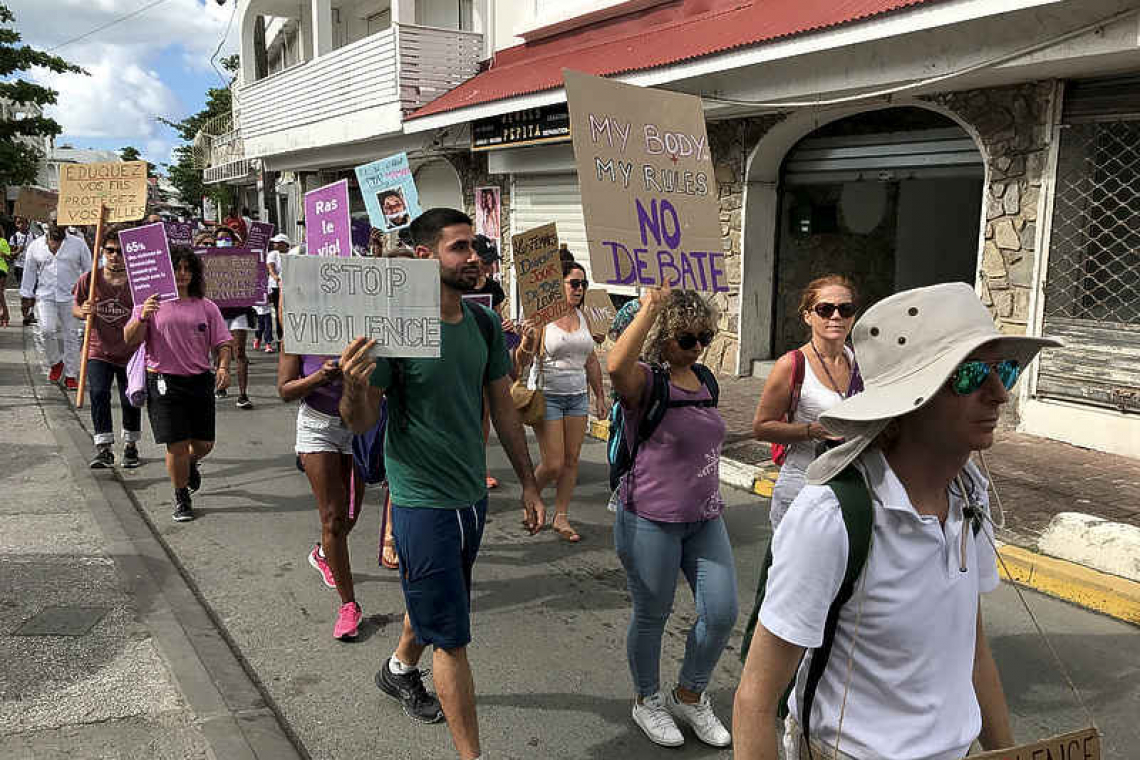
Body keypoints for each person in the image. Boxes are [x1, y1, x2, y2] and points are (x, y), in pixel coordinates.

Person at [732, 281, 1054, 760]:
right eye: (969, 376)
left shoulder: (970, 495)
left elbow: (972, 646)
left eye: (1003, 370)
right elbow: (755, 701)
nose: (999, 394)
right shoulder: (834, 515)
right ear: (911, 400)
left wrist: (1006, 753)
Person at [339, 208, 547, 759]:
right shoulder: (398, 328)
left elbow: (503, 409)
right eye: (459, 247)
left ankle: (397, 666)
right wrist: (354, 385)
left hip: (470, 498)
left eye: (476, 245)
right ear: (424, 257)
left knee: (437, 600)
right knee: (451, 639)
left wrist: (528, 484)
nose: (474, 256)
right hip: (421, 502)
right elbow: (360, 422)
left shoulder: (482, 324)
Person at [606, 282, 738, 749]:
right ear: (663, 337)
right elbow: (615, 364)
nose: (698, 346)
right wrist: (649, 308)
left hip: (705, 517)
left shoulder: (707, 380)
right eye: (687, 338)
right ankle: (647, 699)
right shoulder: (646, 381)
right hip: (650, 518)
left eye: (705, 336)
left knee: (721, 612)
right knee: (652, 614)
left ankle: (690, 693)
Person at [124, 247, 232, 522]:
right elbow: (130, 339)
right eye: (177, 268)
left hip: (199, 381)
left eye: (187, 268)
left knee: (204, 444)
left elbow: (223, 342)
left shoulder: (206, 307)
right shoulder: (149, 303)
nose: (182, 274)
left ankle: (190, 464)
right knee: (176, 446)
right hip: (163, 381)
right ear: (165, 271)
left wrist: (222, 366)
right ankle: (181, 495)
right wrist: (143, 316)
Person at [753, 275, 859, 529]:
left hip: (849, 483)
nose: (836, 316)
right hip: (802, 485)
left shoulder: (858, 360)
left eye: (845, 309)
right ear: (808, 316)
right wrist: (813, 430)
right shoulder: (791, 364)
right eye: (825, 309)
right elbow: (761, 427)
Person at [514, 251, 606, 542]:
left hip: (577, 395)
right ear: (559, 285)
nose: (579, 289)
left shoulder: (585, 316)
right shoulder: (543, 317)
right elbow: (521, 361)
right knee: (553, 462)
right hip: (548, 394)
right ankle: (531, 494)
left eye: (583, 285)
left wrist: (600, 396)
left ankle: (561, 516)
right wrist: (527, 340)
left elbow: (590, 359)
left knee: (572, 459)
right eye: (573, 283)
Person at [278, 350, 366, 639]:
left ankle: (323, 553)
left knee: (350, 516)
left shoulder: (369, 322)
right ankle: (349, 605)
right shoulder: (302, 326)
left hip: (360, 427)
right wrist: (319, 377)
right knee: (334, 519)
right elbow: (285, 390)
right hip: (317, 426)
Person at [73, 226, 141, 468]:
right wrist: (84, 312)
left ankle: (131, 445)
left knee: (129, 398)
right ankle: (104, 448)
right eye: (110, 250)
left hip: (130, 351)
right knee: (99, 393)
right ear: (102, 252)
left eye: (121, 251)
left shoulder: (137, 281)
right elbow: (76, 306)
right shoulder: (90, 279)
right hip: (97, 349)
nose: (115, 256)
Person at [20, 224, 92, 388]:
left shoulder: (78, 243)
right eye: (53, 222)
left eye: (60, 223)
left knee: (71, 335)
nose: (56, 226)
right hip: (45, 296)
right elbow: (29, 271)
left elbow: (88, 269)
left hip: (71, 297)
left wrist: (88, 293)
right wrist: (26, 295)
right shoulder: (36, 245)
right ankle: (56, 363)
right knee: (46, 330)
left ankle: (71, 375)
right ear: (46, 223)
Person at [212, 226, 254, 409]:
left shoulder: (242, 258)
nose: (223, 241)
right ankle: (221, 384)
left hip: (239, 311)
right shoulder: (209, 260)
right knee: (218, 353)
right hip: (218, 312)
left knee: (239, 352)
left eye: (226, 238)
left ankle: (243, 394)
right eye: (220, 238)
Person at [261, 233, 289, 352]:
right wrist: (277, 278)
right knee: (280, 311)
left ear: (284, 244)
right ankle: (281, 336)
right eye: (274, 242)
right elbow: (271, 268)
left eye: (277, 242)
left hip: (290, 285)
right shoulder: (273, 254)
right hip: (277, 286)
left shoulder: (291, 253)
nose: (275, 244)